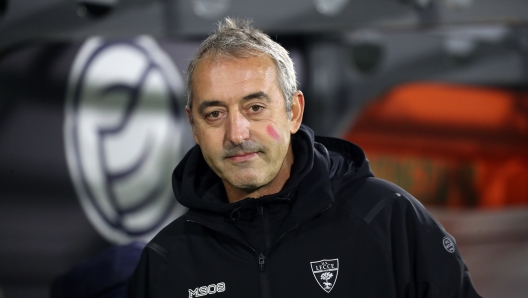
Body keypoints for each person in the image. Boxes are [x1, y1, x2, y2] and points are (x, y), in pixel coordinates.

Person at [127, 18, 481, 298]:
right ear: (193, 125)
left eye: (255, 108)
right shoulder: (165, 262)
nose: (237, 133)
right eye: (215, 114)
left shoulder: (386, 218)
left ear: (294, 112)